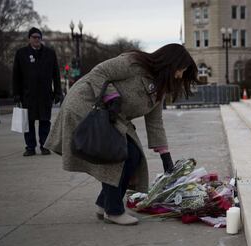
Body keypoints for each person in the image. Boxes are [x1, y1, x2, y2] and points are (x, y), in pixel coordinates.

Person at [44, 44, 198, 225]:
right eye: (181, 69)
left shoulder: (160, 87)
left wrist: (166, 157)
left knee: (133, 155)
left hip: (112, 114)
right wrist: (111, 97)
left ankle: (105, 203)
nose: (180, 75)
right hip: (87, 105)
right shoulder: (133, 63)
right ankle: (113, 210)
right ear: (171, 62)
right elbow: (98, 73)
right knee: (118, 156)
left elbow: (155, 122)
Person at [12, 27, 62, 156]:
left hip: (45, 94)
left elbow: (56, 74)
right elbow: (16, 75)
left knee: (45, 121)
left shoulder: (50, 53)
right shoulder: (21, 53)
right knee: (28, 122)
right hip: (28, 95)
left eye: (38, 37)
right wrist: (16, 93)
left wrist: (58, 92)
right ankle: (30, 147)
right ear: (29, 38)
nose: (36, 39)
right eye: (34, 37)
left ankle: (44, 146)